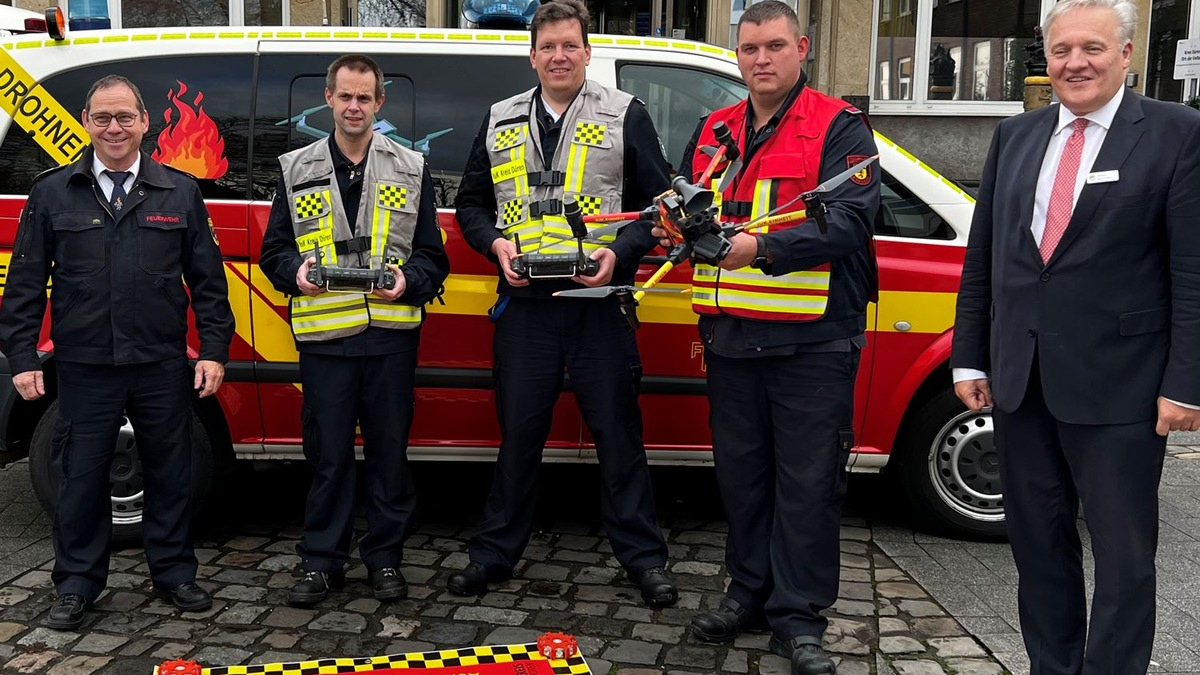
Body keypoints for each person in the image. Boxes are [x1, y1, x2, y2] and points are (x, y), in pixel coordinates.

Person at [951, 0, 1200, 672]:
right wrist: (968, 355)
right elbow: (987, 260)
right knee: (1039, 550)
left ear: (1126, 54)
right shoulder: (1017, 137)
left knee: (1124, 561)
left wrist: (1185, 382)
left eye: (1092, 47)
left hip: (1121, 388)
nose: (1075, 62)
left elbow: (1192, 271)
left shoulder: (1177, 133)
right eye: (1061, 50)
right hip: (1021, 381)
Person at [659, 3, 879, 673]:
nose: (761, 58)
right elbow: (691, 203)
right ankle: (747, 592)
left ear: (802, 48)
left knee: (808, 485)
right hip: (730, 338)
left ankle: (799, 615)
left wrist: (758, 247)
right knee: (743, 479)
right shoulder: (714, 127)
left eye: (775, 46)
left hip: (811, 342)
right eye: (750, 47)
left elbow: (850, 221)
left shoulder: (839, 127)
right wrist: (671, 222)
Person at [451, 0, 678, 608]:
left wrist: (619, 255)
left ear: (587, 51)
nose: (558, 55)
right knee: (518, 438)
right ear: (532, 55)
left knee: (619, 436)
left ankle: (645, 559)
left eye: (569, 45)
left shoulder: (624, 113)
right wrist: (495, 244)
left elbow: (661, 205)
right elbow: (471, 205)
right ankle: (494, 555)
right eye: (547, 46)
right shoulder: (499, 119)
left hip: (597, 303)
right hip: (525, 309)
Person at [0, 75, 235, 630]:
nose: (114, 128)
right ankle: (78, 583)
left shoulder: (179, 191)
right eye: (103, 117)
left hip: (159, 361)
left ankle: (174, 572)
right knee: (81, 476)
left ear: (145, 121)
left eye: (124, 117)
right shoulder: (52, 193)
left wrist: (214, 351)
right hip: (84, 365)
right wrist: (24, 358)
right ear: (86, 122)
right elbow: (26, 284)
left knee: (170, 471)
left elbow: (208, 283)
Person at [258, 55, 449, 607]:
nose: (354, 107)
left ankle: (385, 560)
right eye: (345, 96)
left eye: (364, 98)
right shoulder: (295, 168)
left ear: (379, 103)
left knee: (390, 457)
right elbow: (274, 251)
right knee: (329, 458)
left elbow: (433, 259)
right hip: (325, 344)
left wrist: (406, 282)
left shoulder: (412, 168)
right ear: (328, 98)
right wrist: (294, 274)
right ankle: (322, 563)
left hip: (390, 339)